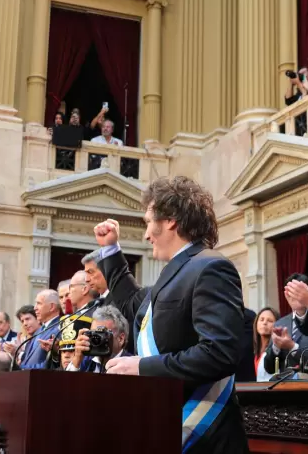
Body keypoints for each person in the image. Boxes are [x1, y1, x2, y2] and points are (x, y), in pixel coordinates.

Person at [93, 176, 248, 453]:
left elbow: (220, 352)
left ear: (171, 220)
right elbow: (130, 302)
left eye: (148, 222)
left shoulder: (211, 267)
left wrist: (141, 367)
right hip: (166, 422)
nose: (146, 234)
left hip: (206, 436)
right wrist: (110, 249)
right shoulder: (175, 273)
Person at [264, 274, 308, 375]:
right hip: (285, 386)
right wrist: (276, 346)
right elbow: (269, 368)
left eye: (300, 292)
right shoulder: (280, 324)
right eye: (293, 292)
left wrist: (292, 346)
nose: (296, 296)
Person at [66, 306, 131, 373]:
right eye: (94, 333)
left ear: (121, 338)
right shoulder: (86, 361)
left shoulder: (131, 365)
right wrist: (76, 360)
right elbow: (66, 382)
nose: (96, 338)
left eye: (103, 333)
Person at [20, 290, 61, 369]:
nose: (35, 308)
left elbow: (50, 364)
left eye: (39, 303)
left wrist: (21, 368)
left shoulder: (59, 328)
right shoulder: (39, 330)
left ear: (52, 307)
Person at [253, 307, 279, 381]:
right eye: (261, 319)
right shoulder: (256, 351)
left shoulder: (277, 350)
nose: (264, 323)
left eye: (270, 321)